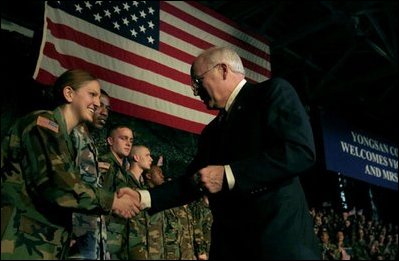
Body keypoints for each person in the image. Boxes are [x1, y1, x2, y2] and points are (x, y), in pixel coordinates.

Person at [130, 46, 320, 259]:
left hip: (277, 244)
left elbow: (299, 151)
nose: (195, 91)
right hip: (230, 248)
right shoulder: (212, 132)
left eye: (198, 81)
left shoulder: (271, 93)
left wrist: (229, 175)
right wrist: (143, 197)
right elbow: (192, 181)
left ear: (223, 70)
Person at [1, 69, 140, 260]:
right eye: (92, 94)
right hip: (16, 241)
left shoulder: (64, 138)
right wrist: (113, 201)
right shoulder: (42, 124)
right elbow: (57, 185)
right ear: (69, 94)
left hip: (40, 242)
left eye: (99, 97)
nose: (98, 103)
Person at [68, 89, 112, 260]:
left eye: (108, 109)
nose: (104, 112)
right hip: (76, 234)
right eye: (100, 105)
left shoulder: (88, 139)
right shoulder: (72, 133)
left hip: (92, 234)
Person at [99, 124, 134, 260]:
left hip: (119, 234)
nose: (128, 144)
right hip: (107, 234)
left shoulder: (123, 169)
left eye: (131, 140)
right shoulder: (106, 164)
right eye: (123, 138)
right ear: (110, 141)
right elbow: (101, 198)